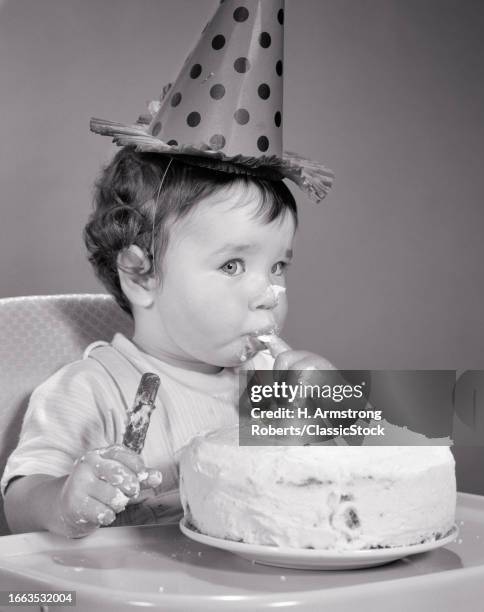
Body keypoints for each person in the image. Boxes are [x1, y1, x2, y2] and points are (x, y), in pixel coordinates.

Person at [2, 0, 334, 537]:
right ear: (140, 275)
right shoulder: (91, 390)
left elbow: (365, 478)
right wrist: (68, 498)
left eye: (277, 267)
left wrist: (333, 407)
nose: (269, 294)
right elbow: (19, 505)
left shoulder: (269, 389)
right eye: (232, 265)